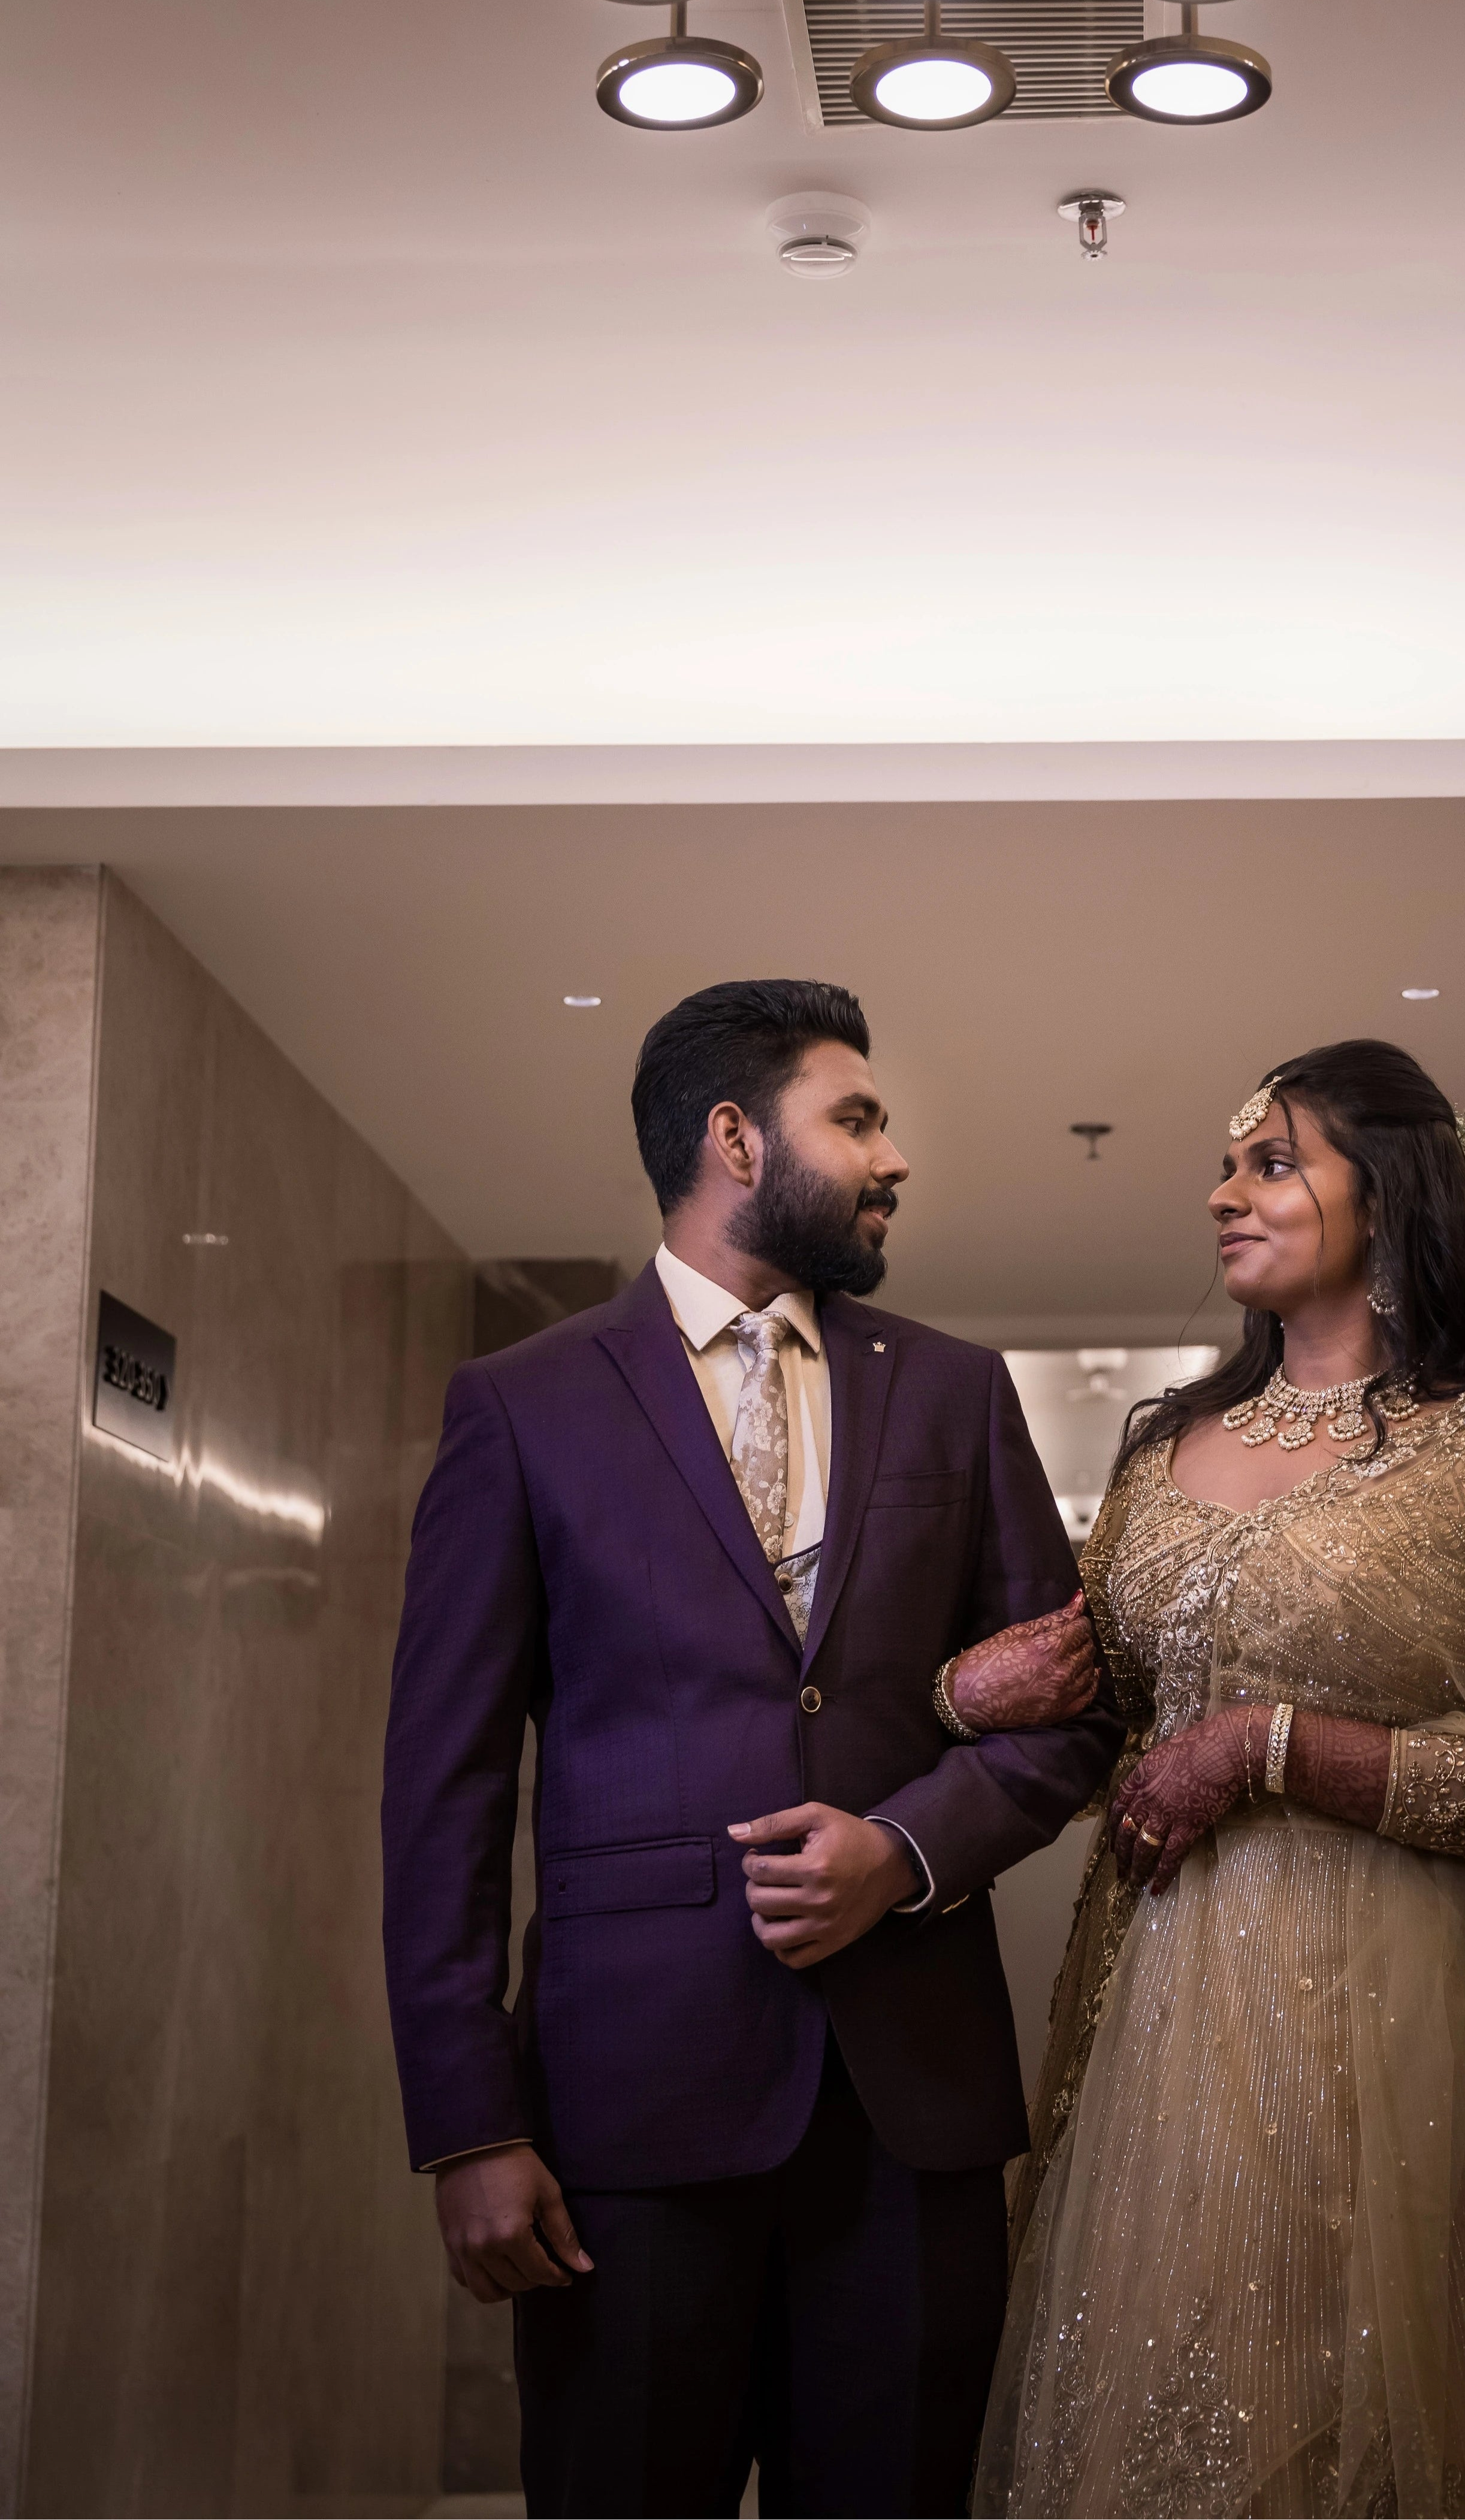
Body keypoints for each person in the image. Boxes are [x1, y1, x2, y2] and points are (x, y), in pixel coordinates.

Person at [955, 1040, 1465, 2520]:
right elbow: (1104, 1735)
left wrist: (1282, 1746)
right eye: (1228, 1164)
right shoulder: (1161, 1455)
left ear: (1388, 1199)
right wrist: (962, 1693)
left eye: (1272, 1162)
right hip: (1163, 2032)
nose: (1224, 1193)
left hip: (1412, 2032)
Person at [380, 978, 1117, 2520]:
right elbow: (443, 1793)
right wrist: (470, 2122)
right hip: (619, 2123)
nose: (893, 1153)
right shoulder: (519, 1407)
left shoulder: (959, 1392)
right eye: (855, 1117)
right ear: (733, 1137)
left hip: (910, 2111)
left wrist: (907, 1849)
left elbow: (1076, 1711)